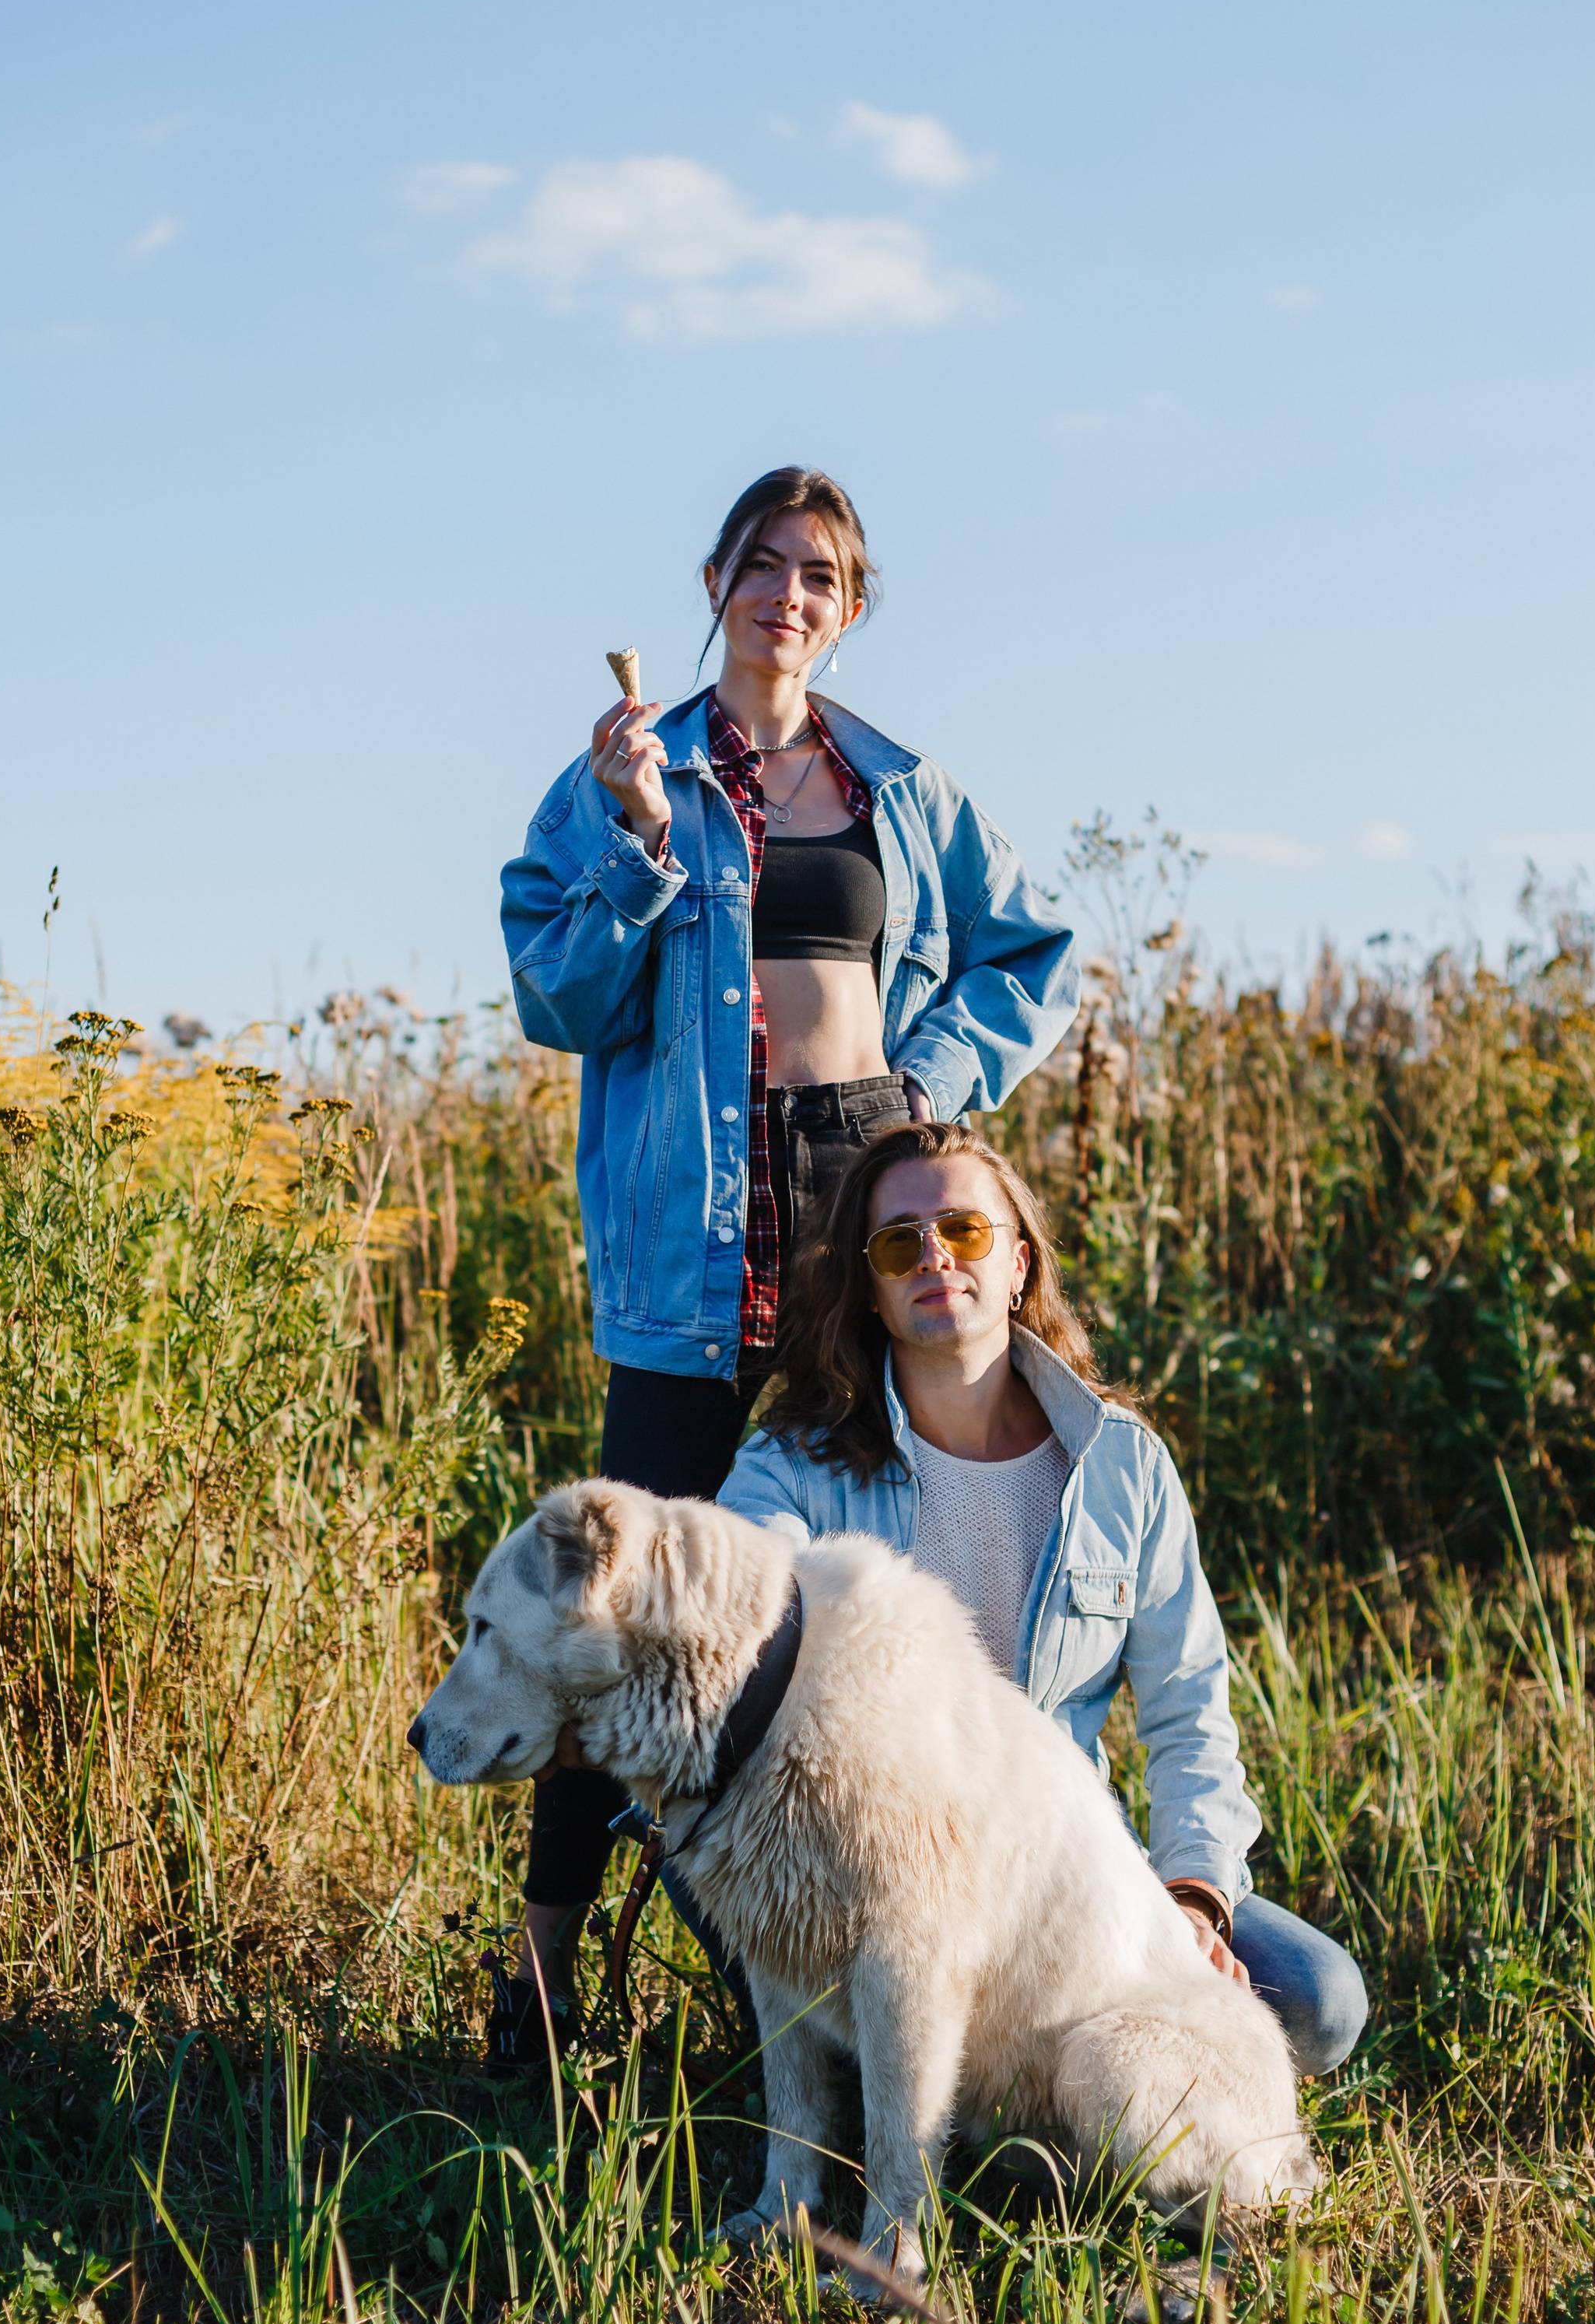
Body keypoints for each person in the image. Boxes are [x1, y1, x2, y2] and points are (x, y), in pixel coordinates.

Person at [482, 467, 1078, 2091]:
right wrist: (631, 842)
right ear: (715, 580)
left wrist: (923, 1088)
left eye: (820, 573)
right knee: (618, 1601)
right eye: (763, 564)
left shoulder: (898, 785)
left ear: (850, 606)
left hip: (854, 1217)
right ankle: (535, 1991)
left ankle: (840, 1978)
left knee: (842, 1606)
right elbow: (558, 998)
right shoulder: (627, 769)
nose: (788, 594)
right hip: (690, 1242)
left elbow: (1033, 947)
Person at [715, 1118, 1369, 2079]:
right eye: (899, 1243)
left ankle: (1031, 2094)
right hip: (867, 1872)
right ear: (872, 1291)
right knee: (931, 2053)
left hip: (1059, 1868)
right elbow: (735, 1599)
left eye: (964, 1231)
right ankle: (985, 2105)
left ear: (1018, 1265)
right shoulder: (794, 1467)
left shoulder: (1119, 1465)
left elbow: (1190, 1712)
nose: (933, 1254)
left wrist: (1189, 1899)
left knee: (1315, 2004)